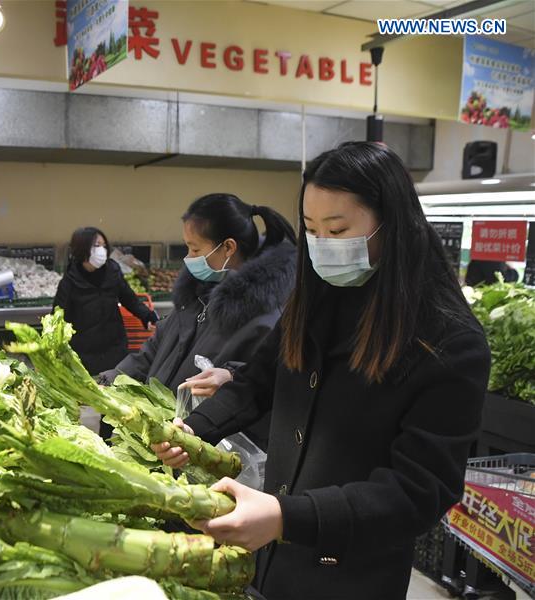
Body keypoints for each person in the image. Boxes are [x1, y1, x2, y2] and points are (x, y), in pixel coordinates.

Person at [152, 142, 490, 599]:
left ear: (394, 225)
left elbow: (418, 490)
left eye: (338, 230)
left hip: (349, 573)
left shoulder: (448, 342)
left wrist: (285, 517)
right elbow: (257, 383)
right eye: (311, 230)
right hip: (270, 561)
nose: (322, 246)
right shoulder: (314, 301)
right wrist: (191, 430)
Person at [99, 193, 296, 449]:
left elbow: (257, 386)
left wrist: (230, 376)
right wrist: (105, 382)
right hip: (165, 440)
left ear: (228, 247)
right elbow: (152, 353)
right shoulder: (196, 296)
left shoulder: (266, 316)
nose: (189, 258)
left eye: (195, 249)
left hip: (202, 446)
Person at [53, 225, 158, 382]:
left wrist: (147, 316)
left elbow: (129, 298)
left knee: (117, 389)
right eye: (96, 245)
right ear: (82, 248)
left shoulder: (112, 271)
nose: (101, 250)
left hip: (115, 347)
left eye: (103, 245)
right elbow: (58, 318)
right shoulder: (69, 282)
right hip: (84, 353)